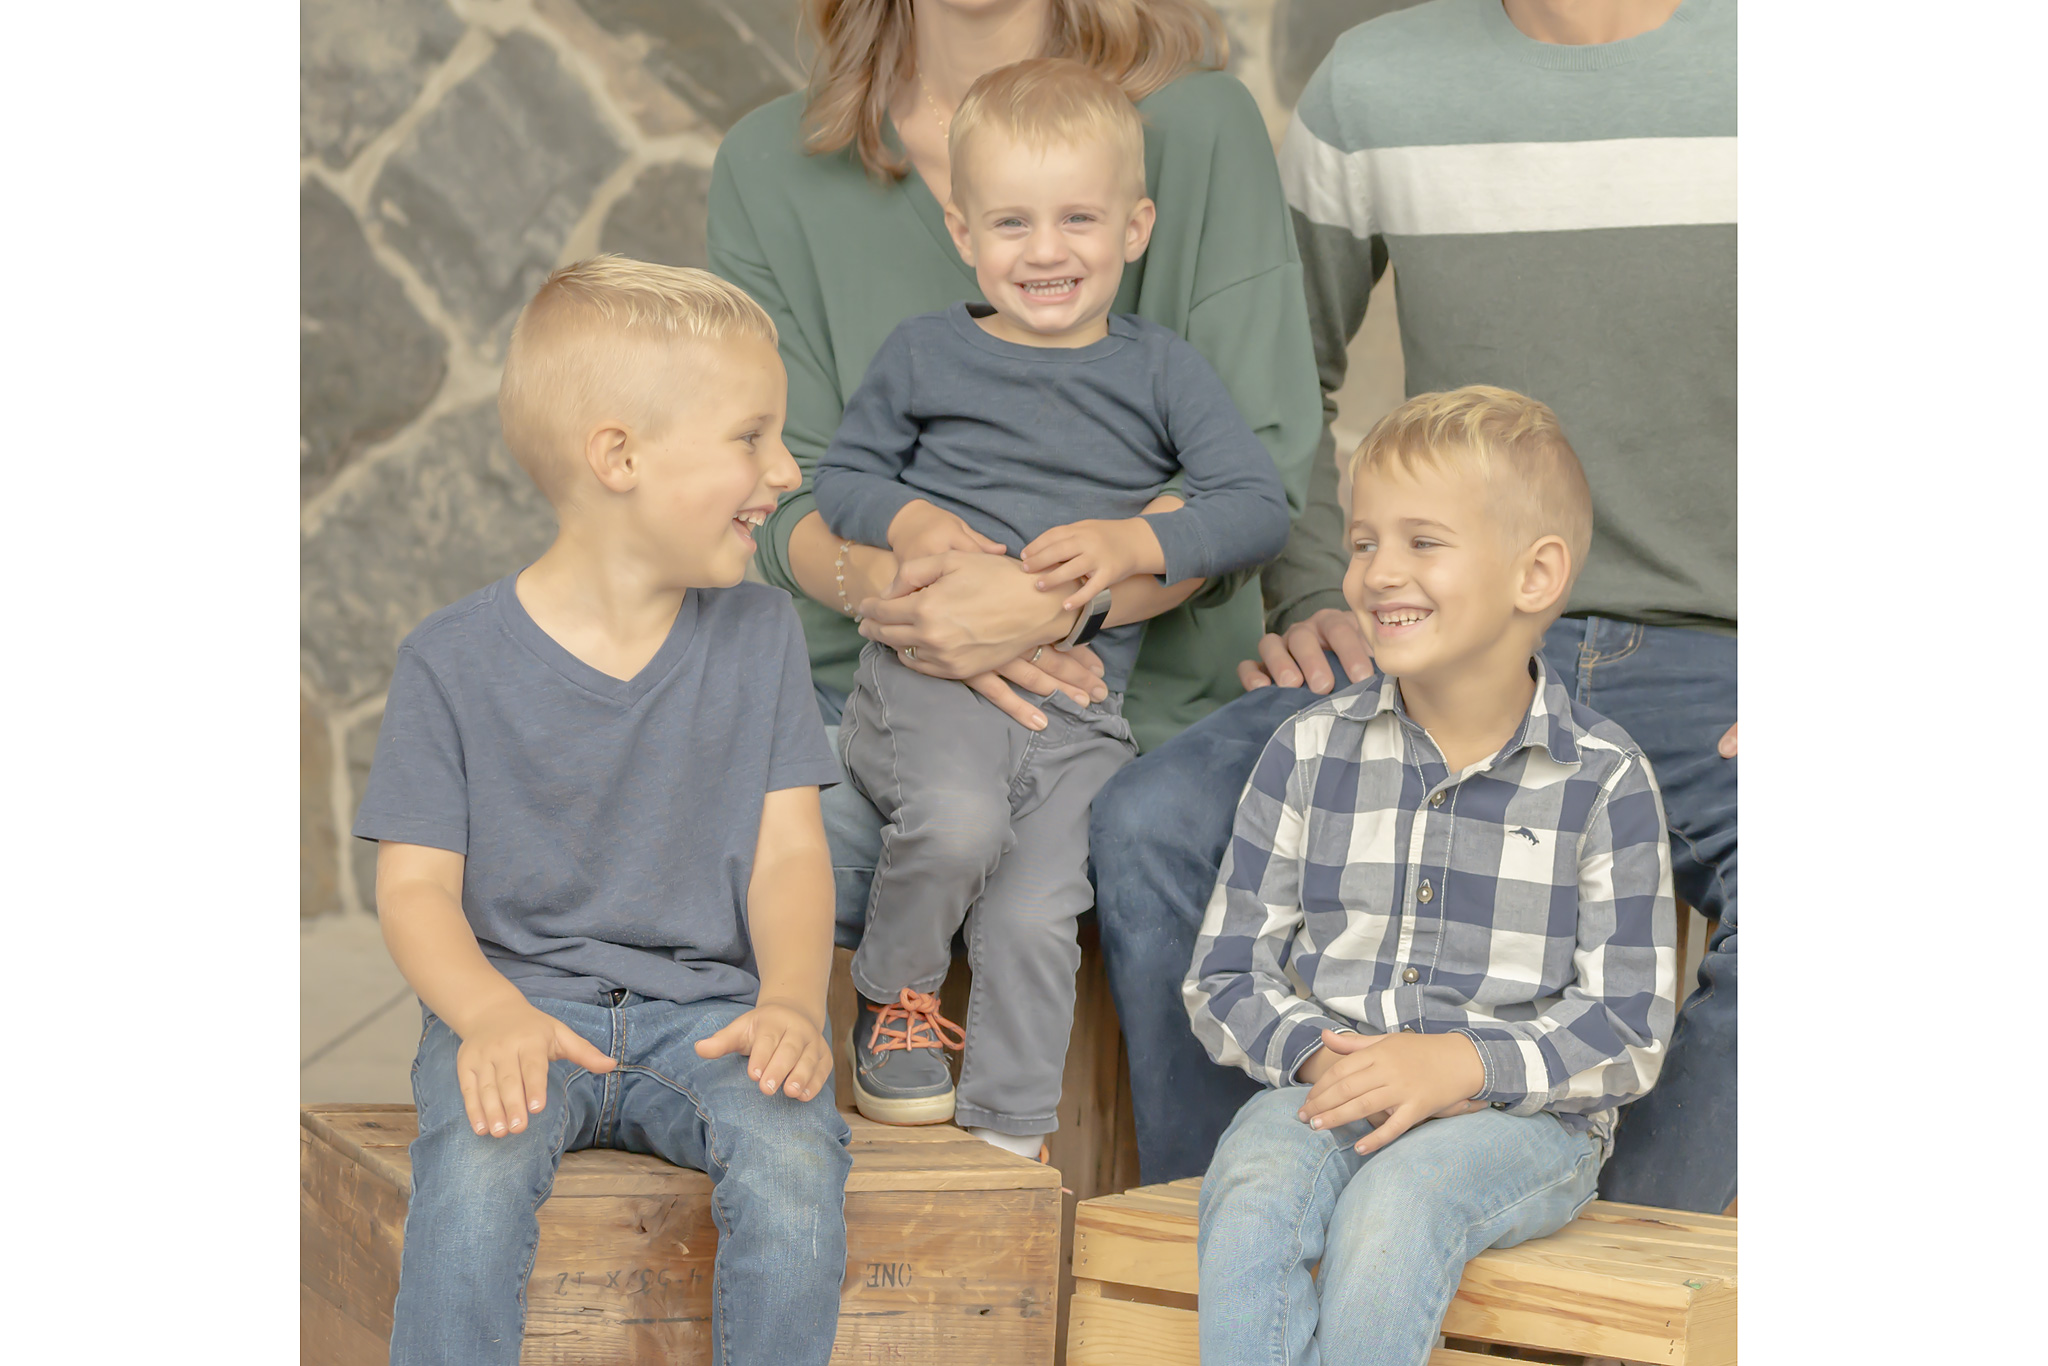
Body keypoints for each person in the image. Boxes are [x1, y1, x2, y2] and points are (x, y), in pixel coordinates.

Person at [1092, 0, 1738, 1213]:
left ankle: (1587, 1277)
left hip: (1716, 655)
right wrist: (1313, 581)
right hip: (1436, 639)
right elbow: (1279, 379)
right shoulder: (1371, 85)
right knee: (1152, 822)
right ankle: (1252, 1244)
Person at [707, 0, 1322, 952]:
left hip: (1129, 716)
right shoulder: (767, 164)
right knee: (683, 830)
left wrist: (1048, 607)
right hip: (869, 715)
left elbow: (1253, 471)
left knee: (1130, 847)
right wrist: (930, 613)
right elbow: (790, 489)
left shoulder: (1199, 127)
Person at [353, 259, 852, 1366]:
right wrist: (485, 1015)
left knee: (795, 1158)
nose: (784, 468)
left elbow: (786, 855)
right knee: (475, 1171)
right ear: (619, 456)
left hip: (710, 1014)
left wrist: (789, 1002)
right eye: (751, 436)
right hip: (520, 1007)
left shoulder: (761, 635)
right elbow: (415, 887)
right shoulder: (449, 660)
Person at [811, 59, 1291, 1157]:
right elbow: (840, 480)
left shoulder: (1162, 372)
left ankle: (1005, 1145)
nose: (1045, 250)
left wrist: (1135, 540)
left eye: (1078, 218)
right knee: (963, 823)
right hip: (929, 686)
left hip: (1078, 711)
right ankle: (891, 999)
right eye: (1012, 222)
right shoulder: (925, 354)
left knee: (1035, 915)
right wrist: (913, 523)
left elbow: (1253, 504)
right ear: (961, 229)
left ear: (1135, 226)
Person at [1186, 386, 1676, 1366]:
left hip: (1522, 1123)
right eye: (1363, 543)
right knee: (1252, 1187)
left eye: (1421, 542)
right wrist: (1331, 1061)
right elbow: (1224, 975)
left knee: (1395, 1206)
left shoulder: (1601, 775)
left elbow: (1626, 1024)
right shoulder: (1308, 750)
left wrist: (1461, 1062)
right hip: (1329, 1088)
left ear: (1534, 573)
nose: (1376, 573)